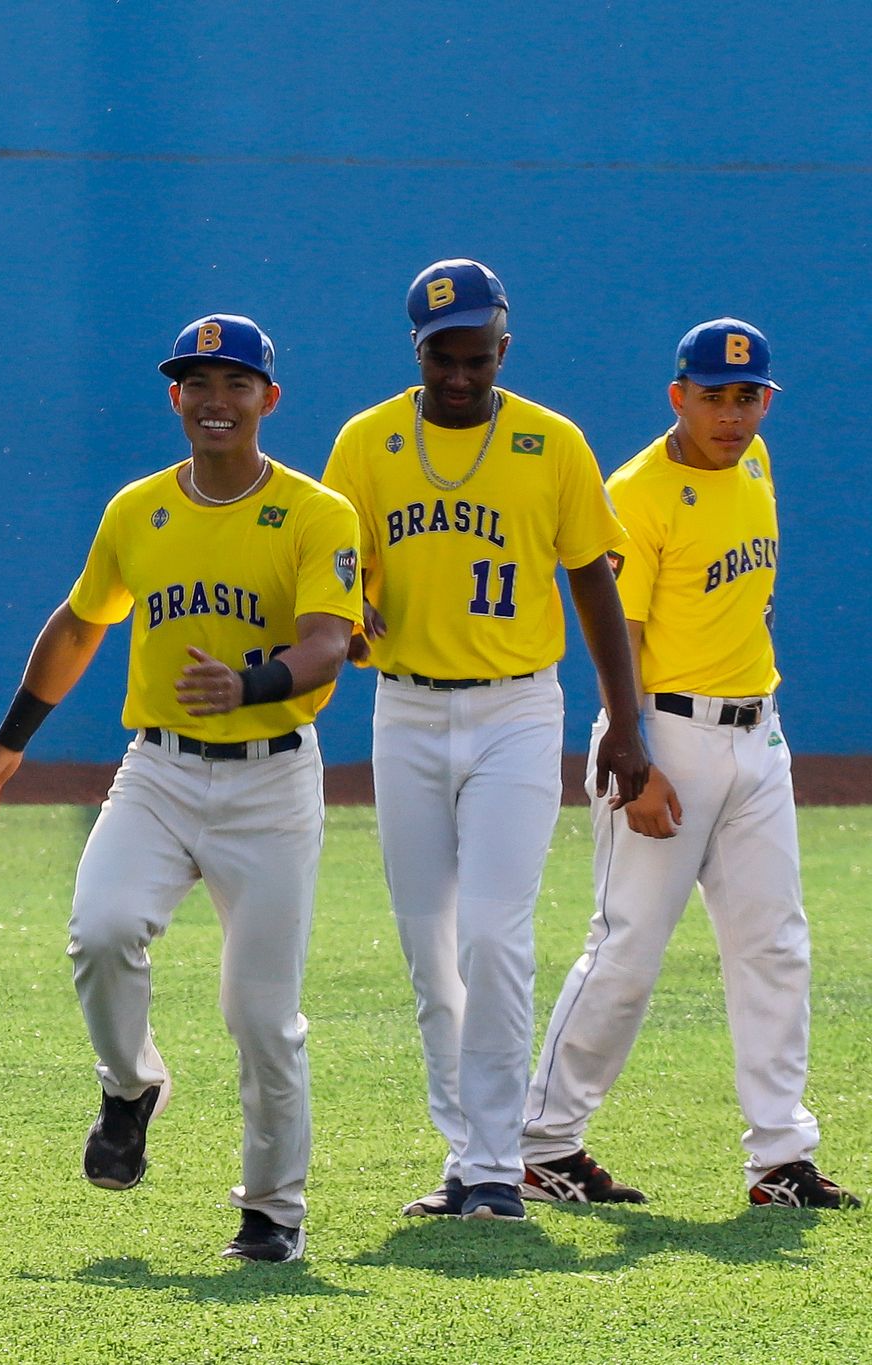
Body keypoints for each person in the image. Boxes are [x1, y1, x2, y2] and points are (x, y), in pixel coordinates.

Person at [0, 315, 361, 1263]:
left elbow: (328, 643)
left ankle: (272, 1212)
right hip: (160, 770)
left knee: (261, 1015)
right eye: (196, 384)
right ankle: (131, 1085)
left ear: (269, 398)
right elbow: (80, 620)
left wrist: (247, 682)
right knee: (100, 929)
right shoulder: (138, 510)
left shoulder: (315, 512)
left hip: (271, 779)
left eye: (235, 384)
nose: (216, 401)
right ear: (175, 398)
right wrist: (10, 743)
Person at [321, 260, 648, 1222]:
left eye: (475, 356)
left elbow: (594, 580)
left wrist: (625, 721)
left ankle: (501, 1164)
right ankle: (465, 1154)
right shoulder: (368, 442)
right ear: (416, 350)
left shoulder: (552, 444)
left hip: (516, 709)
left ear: (503, 347)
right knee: (432, 951)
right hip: (408, 712)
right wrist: (351, 616)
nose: (458, 376)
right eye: (440, 358)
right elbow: (344, 575)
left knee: (496, 937)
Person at [520, 320, 859, 1210]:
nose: (732, 412)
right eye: (713, 394)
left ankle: (780, 1156)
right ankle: (545, 1144)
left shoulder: (756, 466)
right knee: (627, 948)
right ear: (678, 396)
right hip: (664, 735)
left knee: (775, 945)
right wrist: (630, 752)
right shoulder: (636, 491)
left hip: (759, 733)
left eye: (748, 396)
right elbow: (619, 634)